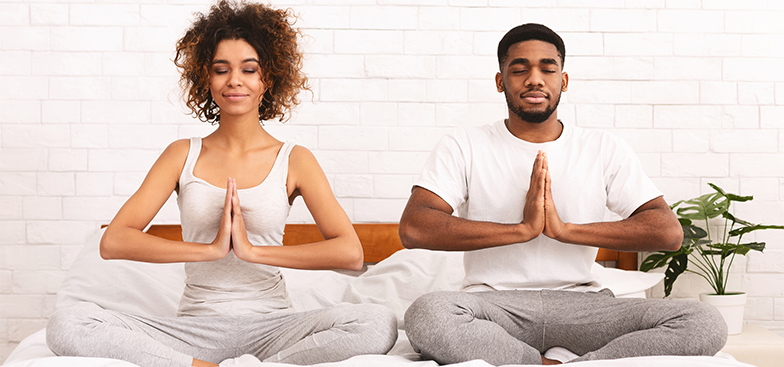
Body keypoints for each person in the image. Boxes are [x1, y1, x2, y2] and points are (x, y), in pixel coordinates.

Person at [45, 2, 397, 367]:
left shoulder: (294, 159)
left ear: (268, 78)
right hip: (193, 331)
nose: (234, 80)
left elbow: (350, 253)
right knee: (69, 323)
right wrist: (210, 249)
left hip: (273, 328)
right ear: (206, 78)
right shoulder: (181, 154)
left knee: (376, 322)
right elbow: (113, 241)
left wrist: (252, 252)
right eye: (221, 69)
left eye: (249, 69)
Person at [399, 23, 727, 365]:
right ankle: (537, 362)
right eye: (519, 70)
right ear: (500, 82)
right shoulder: (464, 144)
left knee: (704, 322)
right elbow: (414, 227)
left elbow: (668, 232)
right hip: (493, 306)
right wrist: (521, 230)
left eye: (547, 69)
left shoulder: (602, 147)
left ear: (563, 80)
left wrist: (564, 230)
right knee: (427, 314)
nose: (534, 79)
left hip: (584, 306)